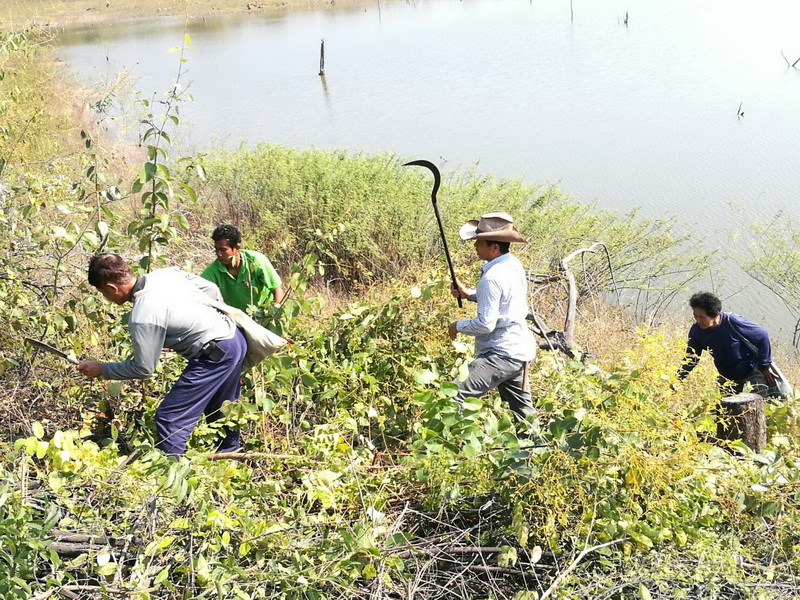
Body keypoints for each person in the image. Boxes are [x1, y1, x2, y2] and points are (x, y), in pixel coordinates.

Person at [76, 254, 248, 456]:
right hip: (234, 338)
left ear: (112, 288)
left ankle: (171, 472)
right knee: (221, 408)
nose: (107, 298)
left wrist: (102, 369)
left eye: (103, 293)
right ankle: (230, 459)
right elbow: (211, 289)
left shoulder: (142, 315)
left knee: (170, 418)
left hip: (215, 354)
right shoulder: (165, 275)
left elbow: (143, 368)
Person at [448, 212, 537, 420]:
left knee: (452, 397)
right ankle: (535, 440)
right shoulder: (513, 264)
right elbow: (505, 301)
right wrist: (468, 294)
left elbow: (485, 325)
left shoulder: (492, 277)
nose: (475, 246)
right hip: (519, 352)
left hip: (500, 355)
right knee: (524, 416)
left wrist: (457, 326)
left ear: (494, 248)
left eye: (479, 242)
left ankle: (451, 437)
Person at [676, 291, 775, 397]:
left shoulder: (732, 321)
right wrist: (678, 378)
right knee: (727, 406)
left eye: (702, 317)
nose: (698, 320)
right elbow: (691, 357)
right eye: (695, 315)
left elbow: (762, 336)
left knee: (758, 401)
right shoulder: (696, 331)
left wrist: (764, 366)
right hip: (727, 376)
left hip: (751, 371)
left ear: (715, 315)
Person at [200, 224, 284, 313]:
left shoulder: (256, 261)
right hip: (235, 318)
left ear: (236, 248)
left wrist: (274, 315)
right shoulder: (213, 270)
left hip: (264, 314)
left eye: (223, 250)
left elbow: (277, 291)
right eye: (216, 249)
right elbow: (198, 293)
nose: (218, 254)